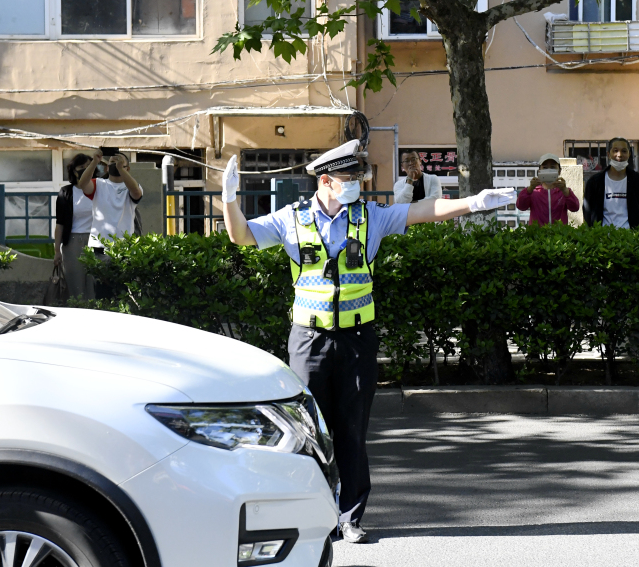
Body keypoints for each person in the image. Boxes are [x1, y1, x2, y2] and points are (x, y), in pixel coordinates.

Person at [221, 140, 516, 544]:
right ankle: (316, 514)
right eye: (348, 178)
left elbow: (422, 211)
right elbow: (240, 235)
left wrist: (474, 203)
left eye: (356, 176)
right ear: (326, 181)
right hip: (309, 341)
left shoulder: (369, 217)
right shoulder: (292, 218)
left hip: (357, 341)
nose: (355, 183)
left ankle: (350, 516)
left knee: (352, 431)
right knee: (311, 433)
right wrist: (230, 198)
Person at [77, 149, 144, 250]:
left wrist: (120, 169)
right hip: (99, 244)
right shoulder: (98, 184)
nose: (116, 164)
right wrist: (94, 161)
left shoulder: (131, 186)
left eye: (120, 161)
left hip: (124, 245)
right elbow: (83, 184)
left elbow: (136, 192)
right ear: (107, 168)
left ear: (128, 168)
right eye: (112, 162)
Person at [582, 138, 639, 228]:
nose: (619, 155)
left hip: (631, 235)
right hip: (602, 234)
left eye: (624, 151)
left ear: (629, 154)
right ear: (608, 154)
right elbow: (588, 211)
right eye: (615, 151)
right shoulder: (595, 182)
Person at [55, 153, 96, 300]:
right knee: (75, 285)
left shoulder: (100, 189)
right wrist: (57, 251)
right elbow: (60, 224)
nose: (85, 169)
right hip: (73, 242)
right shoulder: (66, 192)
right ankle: (77, 309)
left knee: (94, 283)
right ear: (73, 170)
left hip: (96, 241)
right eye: (81, 167)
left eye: (89, 166)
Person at [515, 153, 579, 225]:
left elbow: (575, 208)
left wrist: (566, 191)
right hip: (537, 232)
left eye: (553, 167)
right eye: (545, 167)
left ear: (559, 171)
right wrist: (529, 190)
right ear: (539, 171)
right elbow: (521, 206)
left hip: (559, 231)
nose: (549, 170)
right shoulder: (534, 191)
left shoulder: (563, 192)